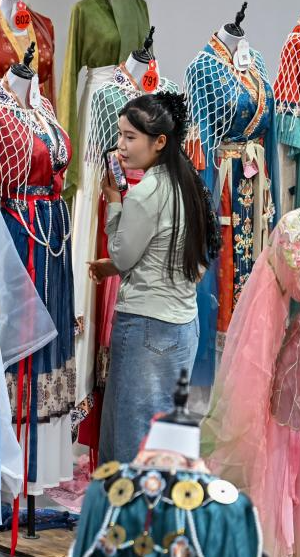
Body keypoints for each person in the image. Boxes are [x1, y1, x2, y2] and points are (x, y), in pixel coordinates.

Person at [89, 91, 219, 462]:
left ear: (160, 141)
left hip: (147, 327)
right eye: (120, 135)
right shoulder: (188, 183)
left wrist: (115, 201)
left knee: (132, 439)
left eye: (130, 137)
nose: (121, 146)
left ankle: (130, 503)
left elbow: (123, 256)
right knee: (165, 437)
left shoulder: (146, 192)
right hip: (183, 326)